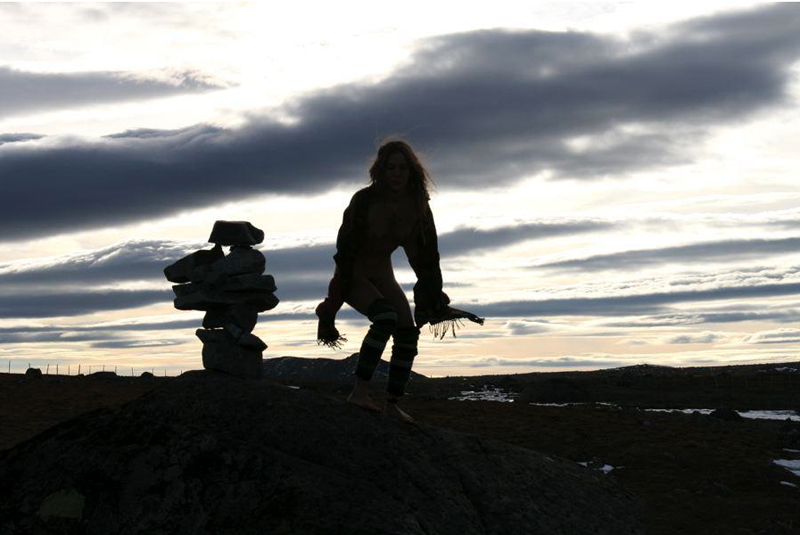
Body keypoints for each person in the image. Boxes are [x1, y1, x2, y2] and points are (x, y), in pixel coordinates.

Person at [315, 139, 483, 422]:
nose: (396, 173)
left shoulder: (417, 206)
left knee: (407, 332)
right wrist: (332, 304)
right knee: (385, 318)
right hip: (354, 273)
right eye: (390, 167)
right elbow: (344, 253)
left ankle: (392, 404)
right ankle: (359, 393)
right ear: (381, 170)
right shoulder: (364, 201)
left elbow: (426, 257)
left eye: (402, 168)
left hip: (382, 273)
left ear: (411, 171)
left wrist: (434, 295)